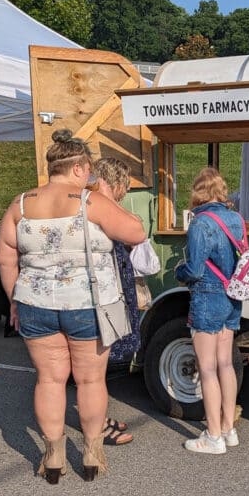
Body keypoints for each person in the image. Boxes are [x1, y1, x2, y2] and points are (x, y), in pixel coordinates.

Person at [0, 129, 146, 483]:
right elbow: (136, 232)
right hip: (87, 306)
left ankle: (53, 454)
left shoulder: (20, 204)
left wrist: (14, 300)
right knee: (90, 380)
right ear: (79, 167)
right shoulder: (89, 201)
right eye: (89, 170)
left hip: (34, 303)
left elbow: (5, 259)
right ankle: (92, 452)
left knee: (49, 379)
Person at [175, 167, 243, 454]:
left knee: (206, 367)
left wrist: (179, 270)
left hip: (207, 295)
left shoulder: (200, 223)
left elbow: (195, 269)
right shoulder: (236, 218)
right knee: (225, 364)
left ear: (198, 193)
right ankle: (229, 429)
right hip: (232, 295)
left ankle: (213, 436)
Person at [90, 156, 141, 446]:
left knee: (101, 361)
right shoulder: (99, 204)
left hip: (110, 287)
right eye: (125, 186)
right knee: (96, 364)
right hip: (103, 291)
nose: (126, 192)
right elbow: (136, 231)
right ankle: (95, 426)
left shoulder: (96, 205)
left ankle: (98, 416)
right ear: (115, 182)